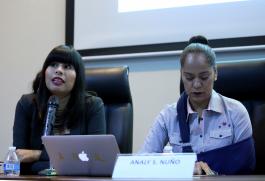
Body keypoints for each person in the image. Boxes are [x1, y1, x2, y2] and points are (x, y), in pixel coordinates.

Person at [140, 36, 255, 175]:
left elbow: (245, 169)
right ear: (181, 76)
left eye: (204, 77)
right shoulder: (168, 116)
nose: (196, 84)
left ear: (215, 73)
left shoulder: (236, 112)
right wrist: (183, 168)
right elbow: (142, 162)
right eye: (189, 78)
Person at [13, 45, 106, 174]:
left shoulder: (92, 106)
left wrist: (37, 155)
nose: (59, 70)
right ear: (45, 70)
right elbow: (19, 159)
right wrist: (68, 160)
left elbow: (96, 158)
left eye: (67, 67)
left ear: (77, 77)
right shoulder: (27, 104)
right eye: (53, 65)